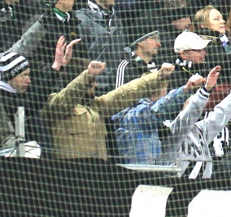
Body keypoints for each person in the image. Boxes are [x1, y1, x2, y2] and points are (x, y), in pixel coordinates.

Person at [42, 59, 173, 160]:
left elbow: (125, 92)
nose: (96, 85)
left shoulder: (96, 106)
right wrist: (87, 76)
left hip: (98, 177)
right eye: (92, 82)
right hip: (69, 178)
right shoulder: (56, 105)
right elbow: (69, 96)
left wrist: (158, 76)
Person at [162, 63, 231, 178]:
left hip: (204, 187)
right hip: (177, 188)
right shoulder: (172, 131)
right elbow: (191, 112)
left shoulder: (199, 130)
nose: (193, 104)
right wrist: (206, 90)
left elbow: (222, 113)